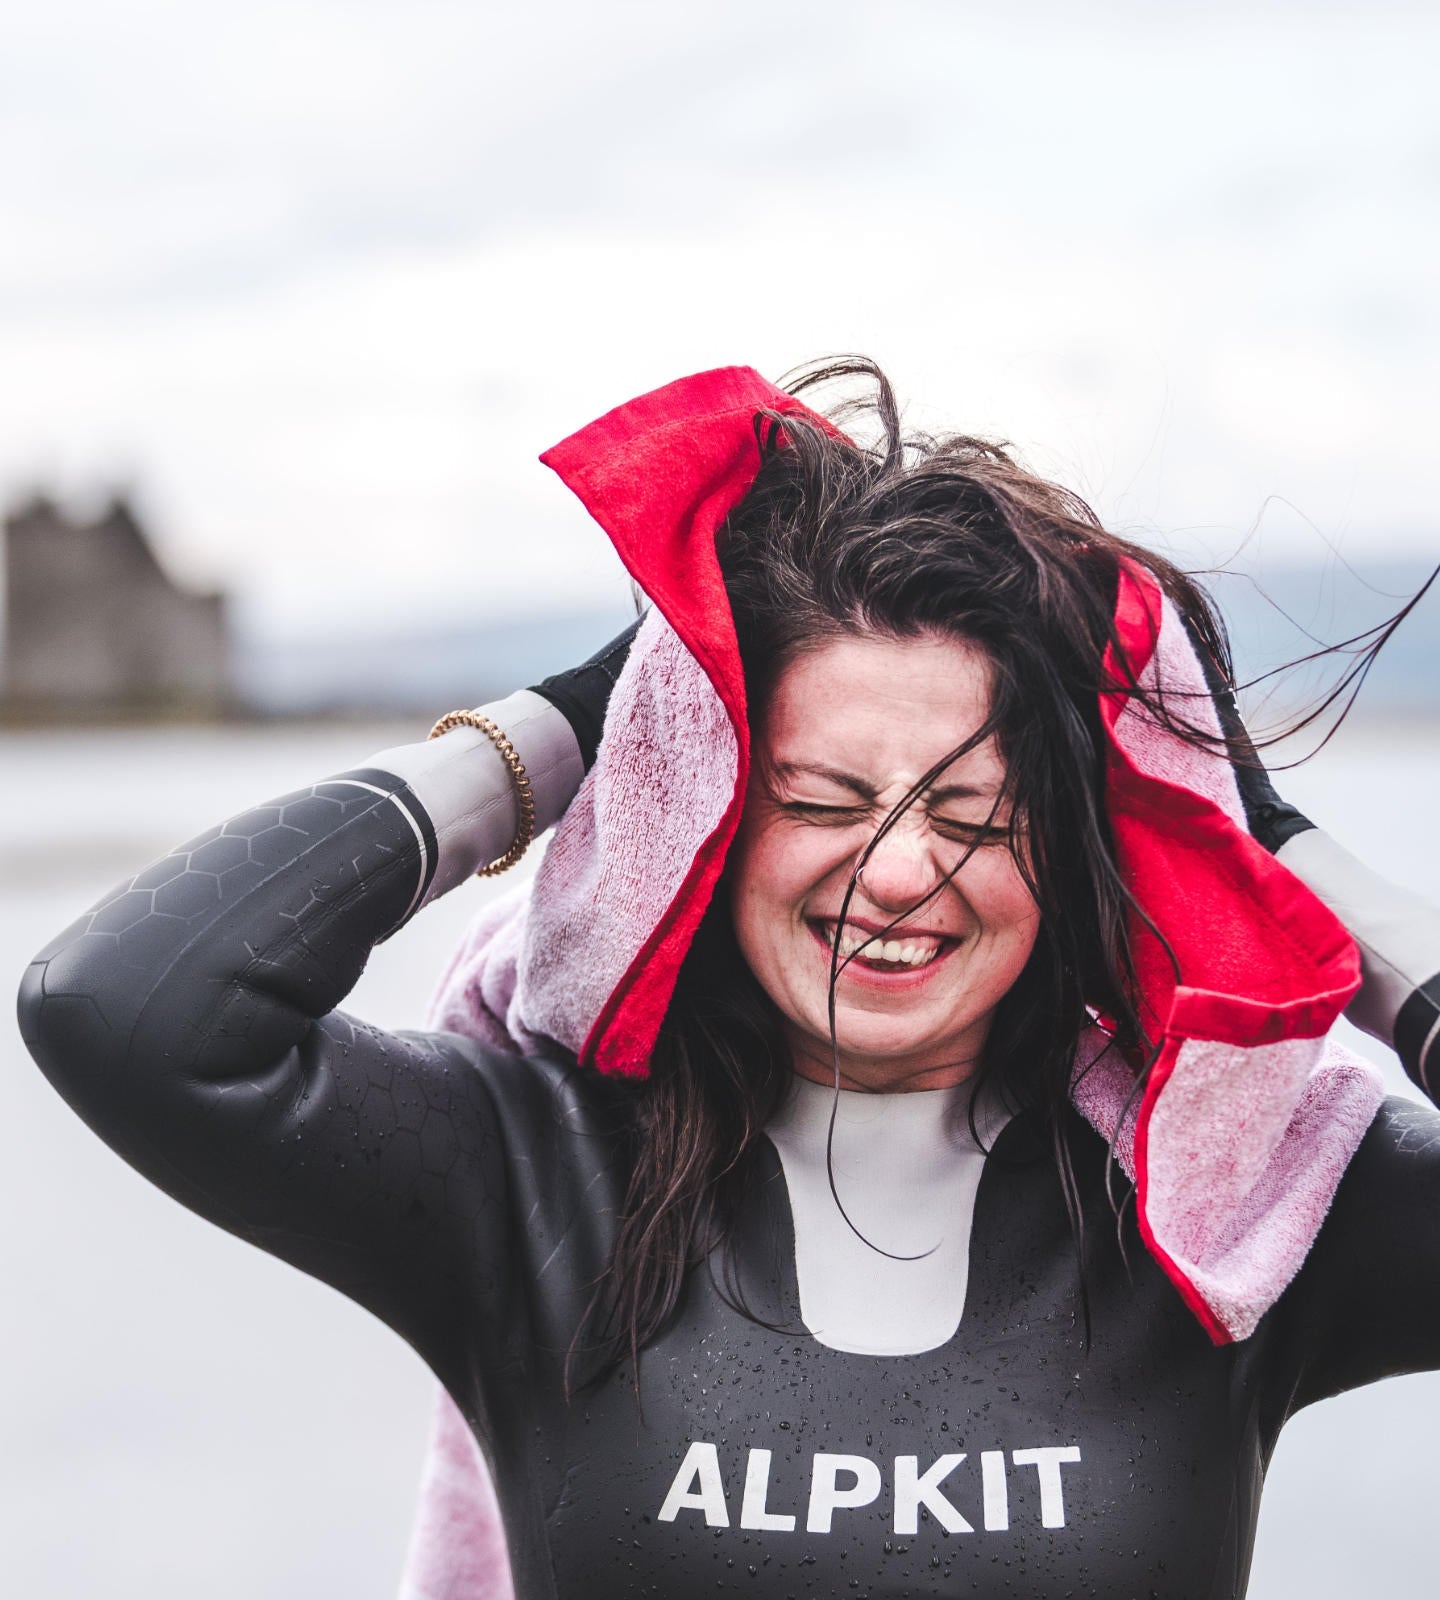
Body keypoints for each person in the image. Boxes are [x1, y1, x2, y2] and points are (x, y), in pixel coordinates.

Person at [18, 362, 1440, 1600]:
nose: (896, 875)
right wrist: (578, 725)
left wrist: (1277, 853)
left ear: (1072, 856)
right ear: (704, 820)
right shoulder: (533, 1176)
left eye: (973, 817)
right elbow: (128, 1007)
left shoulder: (1232, 1210)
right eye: (818, 798)